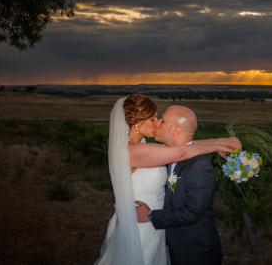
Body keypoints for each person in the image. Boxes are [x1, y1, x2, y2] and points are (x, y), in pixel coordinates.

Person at [95, 95, 239, 265]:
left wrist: (217, 141)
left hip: (156, 223)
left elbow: (179, 145)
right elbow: (181, 152)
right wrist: (216, 147)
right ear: (134, 120)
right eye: (153, 118)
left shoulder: (140, 144)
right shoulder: (131, 150)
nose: (156, 123)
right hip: (140, 224)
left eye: (158, 118)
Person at [135, 106, 222, 265]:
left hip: (193, 252)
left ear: (176, 130)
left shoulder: (198, 165)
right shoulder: (165, 156)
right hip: (170, 246)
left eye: (163, 120)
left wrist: (150, 216)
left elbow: (192, 212)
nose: (157, 123)